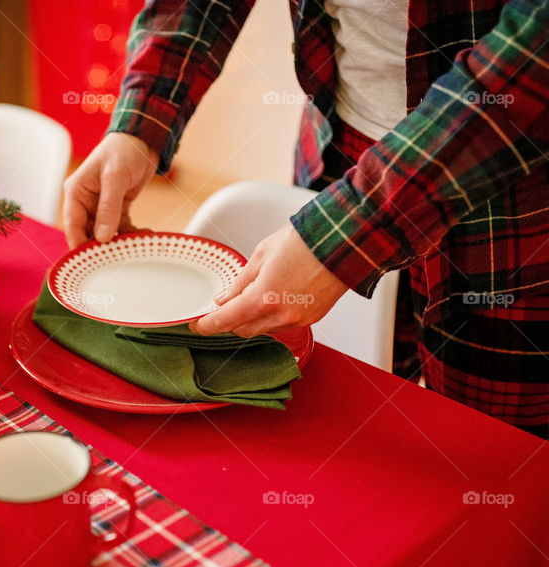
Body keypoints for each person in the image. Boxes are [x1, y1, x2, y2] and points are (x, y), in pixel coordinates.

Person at [62, 0, 549, 434]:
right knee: (342, 430)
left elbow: (535, 50)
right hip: (336, 159)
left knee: (495, 456)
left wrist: (346, 234)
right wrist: (140, 121)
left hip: (515, 203)